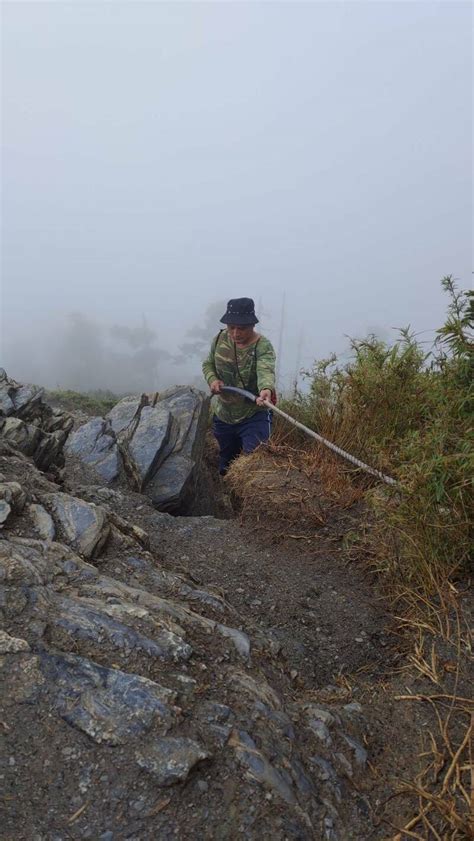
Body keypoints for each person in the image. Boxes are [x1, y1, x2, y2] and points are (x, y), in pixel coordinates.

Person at [202, 297, 276, 475]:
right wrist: (213, 379)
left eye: (241, 328)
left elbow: (265, 369)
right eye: (231, 327)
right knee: (225, 461)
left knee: (255, 461)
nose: (235, 333)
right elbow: (208, 364)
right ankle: (224, 497)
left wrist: (266, 389)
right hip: (224, 415)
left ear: (252, 325)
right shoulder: (219, 339)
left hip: (253, 415)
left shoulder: (262, 346)